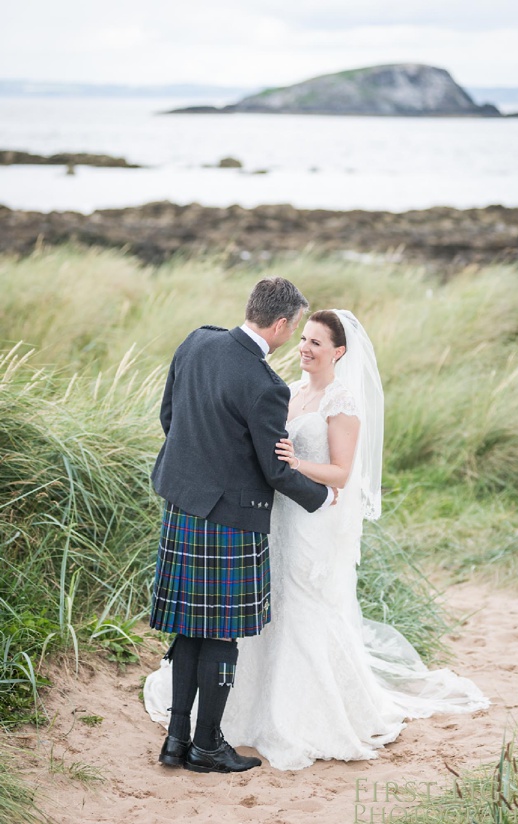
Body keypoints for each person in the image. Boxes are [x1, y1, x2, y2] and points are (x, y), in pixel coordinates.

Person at [145, 309, 489, 771]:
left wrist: (299, 471)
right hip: (272, 516)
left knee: (289, 613)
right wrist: (280, 470)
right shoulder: (283, 389)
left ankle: (258, 724)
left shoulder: (340, 401)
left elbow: (341, 474)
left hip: (304, 522)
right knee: (242, 625)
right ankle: (213, 735)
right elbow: (263, 456)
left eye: (317, 343)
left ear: (339, 352)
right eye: (303, 338)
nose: (305, 347)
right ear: (286, 327)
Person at [147, 277, 335, 775]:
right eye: (293, 327)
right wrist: (322, 497)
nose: (292, 335)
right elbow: (275, 470)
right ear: (279, 324)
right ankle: (207, 746)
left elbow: (170, 417)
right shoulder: (265, 386)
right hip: (231, 519)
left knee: (188, 629)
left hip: (182, 505)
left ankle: (175, 741)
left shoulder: (196, 341)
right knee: (222, 636)